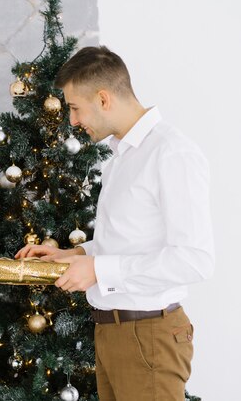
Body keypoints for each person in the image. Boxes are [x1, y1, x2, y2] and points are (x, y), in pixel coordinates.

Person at [16, 46, 215, 401]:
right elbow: (128, 240)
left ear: (103, 99)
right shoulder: (122, 156)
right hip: (114, 331)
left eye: (75, 108)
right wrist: (72, 252)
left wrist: (98, 270)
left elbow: (194, 259)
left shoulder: (171, 153)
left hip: (147, 334)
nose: (72, 121)